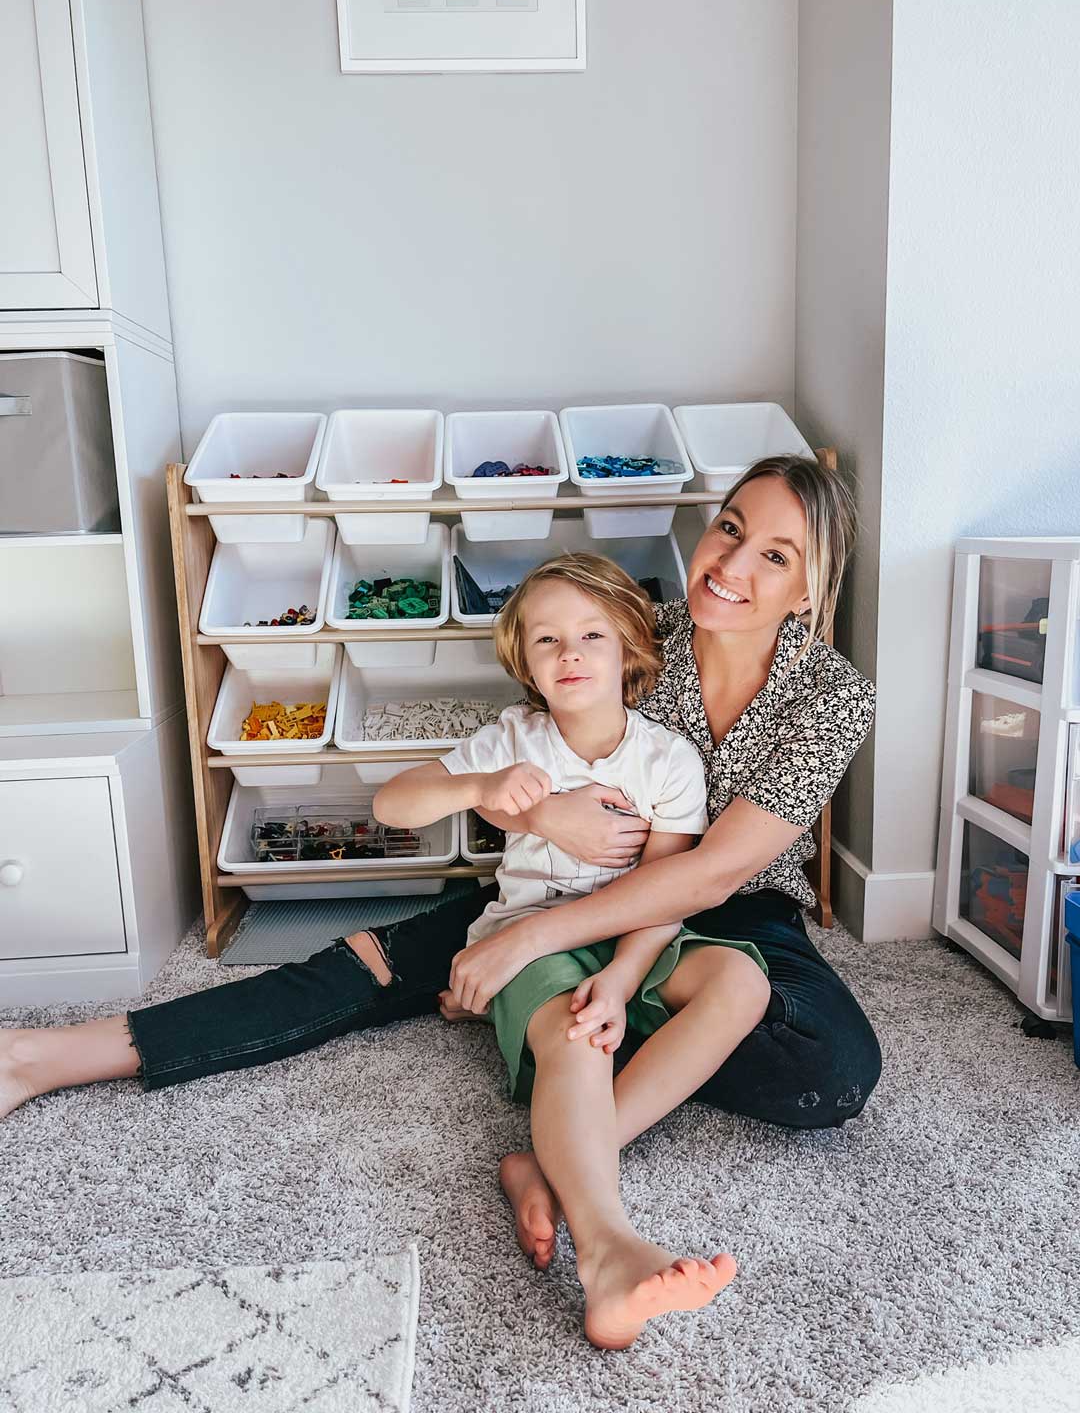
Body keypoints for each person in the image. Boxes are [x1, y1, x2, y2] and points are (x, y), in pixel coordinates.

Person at [0, 454, 879, 1322]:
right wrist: (538, 828)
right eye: (730, 529)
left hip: (726, 913)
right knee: (365, 971)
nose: (731, 566)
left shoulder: (832, 696)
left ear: (809, 588)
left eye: (776, 555)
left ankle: (560, 1153)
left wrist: (536, 945)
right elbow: (501, 760)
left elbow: (714, 870)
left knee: (832, 1068)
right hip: (549, 885)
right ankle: (39, 1056)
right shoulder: (632, 626)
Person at [367, 553, 763, 1345]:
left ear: (630, 651)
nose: (570, 653)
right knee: (577, 1038)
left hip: (631, 934)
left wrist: (622, 978)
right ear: (525, 664)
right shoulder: (514, 740)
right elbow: (391, 803)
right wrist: (479, 789)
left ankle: (545, 1166)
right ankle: (609, 1251)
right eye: (546, 641)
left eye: (589, 635)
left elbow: (670, 889)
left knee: (742, 984)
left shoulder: (668, 760)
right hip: (530, 939)